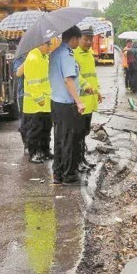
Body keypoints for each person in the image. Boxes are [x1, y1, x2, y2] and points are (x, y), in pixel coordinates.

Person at [49, 26, 85, 185]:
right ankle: (69, 177)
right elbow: (68, 80)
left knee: (59, 138)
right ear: (74, 39)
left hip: (56, 102)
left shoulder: (55, 53)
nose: (79, 42)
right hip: (66, 104)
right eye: (79, 39)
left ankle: (58, 174)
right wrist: (78, 101)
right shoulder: (67, 55)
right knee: (69, 140)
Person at [74, 28, 104, 172]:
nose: (89, 42)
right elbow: (75, 76)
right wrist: (85, 86)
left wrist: (97, 91)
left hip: (90, 101)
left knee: (84, 132)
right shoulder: (74, 54)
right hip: (80, 102)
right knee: (78, 132)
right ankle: (77, 161)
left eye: (90, 39)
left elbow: (93, 76)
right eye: (86, 39)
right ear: (79, 39)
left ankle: (82, 158)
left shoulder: (90, 55)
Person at [23, 42, 52, 164]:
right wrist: (39, 99)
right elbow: (33, 82)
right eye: (47, 44)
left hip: (45, 102)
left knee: (46, 128)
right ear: (40, 44)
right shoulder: (33, 58)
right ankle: (33, 153)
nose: (49, 47)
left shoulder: (44, 57)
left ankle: (45, 151)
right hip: (35, 104)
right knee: (35, 130)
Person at [13, 53, 29, 159]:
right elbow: (18, 72)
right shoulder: (20, 57)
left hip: (40, 95)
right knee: (25, 121)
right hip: (24, 94)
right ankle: (27, 145)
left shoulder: (43, 56)